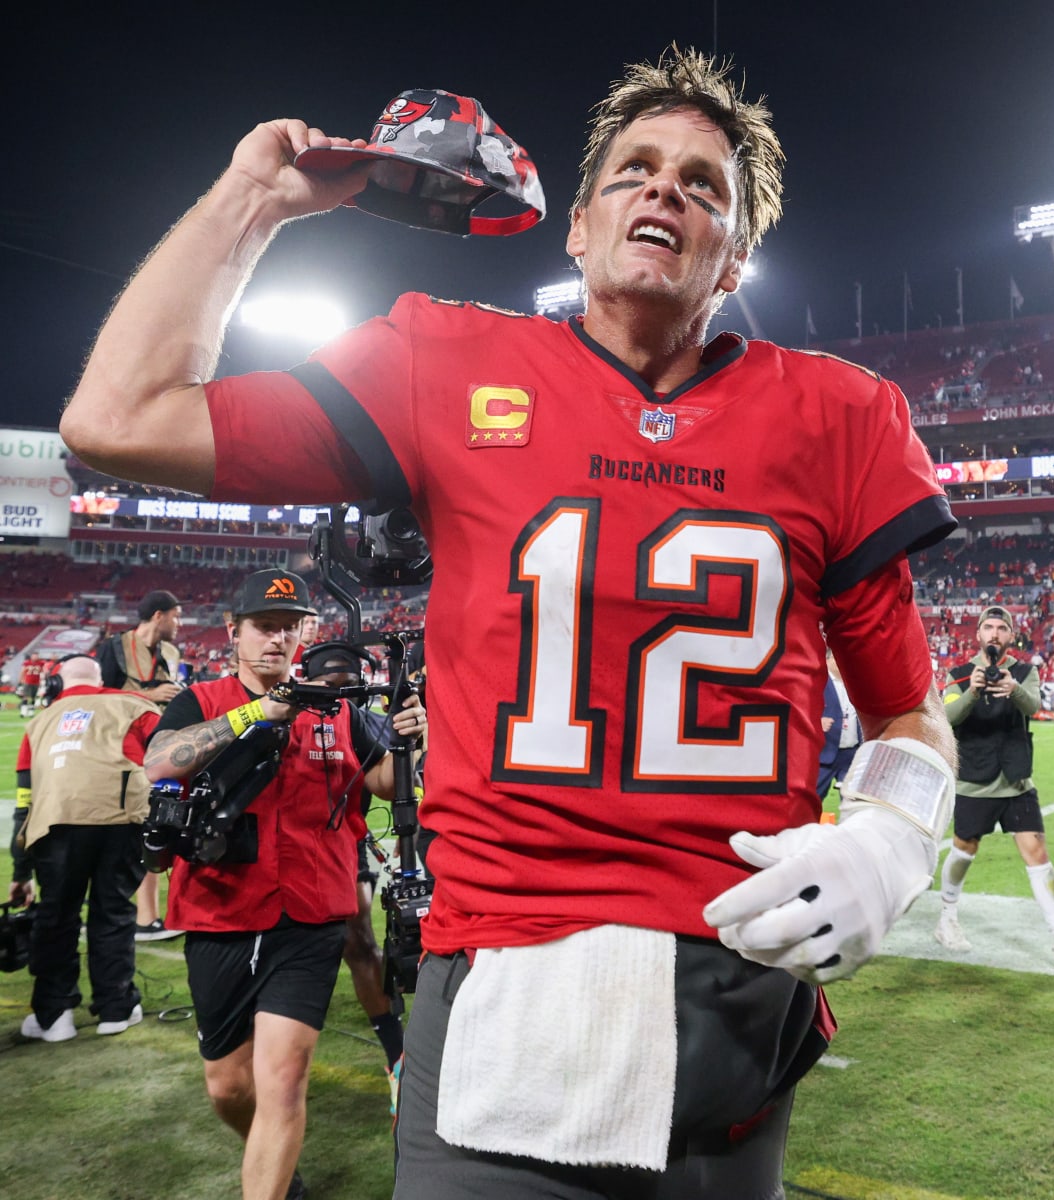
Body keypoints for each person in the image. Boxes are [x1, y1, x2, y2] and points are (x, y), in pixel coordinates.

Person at [62, 47, 959, 1200]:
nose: (666, 190)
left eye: (703, 184)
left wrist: (892, 837)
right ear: (576, 227)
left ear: (734, 259)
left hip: (733, 1005)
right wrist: (258, 202)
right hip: (504, 1002)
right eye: (636, 169)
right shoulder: (443, 360)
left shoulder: (838, 415)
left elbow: (906, 715)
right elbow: (117, 417)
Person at [143, 569, 425, 1200]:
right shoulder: (205, 700)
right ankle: (275, 1166)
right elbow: (159, 760)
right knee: (229, 1087)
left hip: (312, 918)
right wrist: (258, 713)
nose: (277, 641)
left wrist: (410, 742)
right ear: (233, 632)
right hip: (220, 911)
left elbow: (385, 783)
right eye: (264, 628)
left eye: (289, 628)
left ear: (307, 633)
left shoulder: (341, 711)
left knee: (285, 1077)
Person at [935, 605, 1054, 968]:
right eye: (989, 628)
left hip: (1016, 778)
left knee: (1037, 851)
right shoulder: (959, 674)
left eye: (1001, 628)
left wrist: (1012, 689)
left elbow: (1034, 706)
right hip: (975, 779)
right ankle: (947, 918)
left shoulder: (1026, 672)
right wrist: (972, 691)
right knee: (964, 850)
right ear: (978, 634)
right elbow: (948, 718)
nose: (994, 634)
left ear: (1011, 636)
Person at [8, 654, 161, 1042]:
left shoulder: (39, 723)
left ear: (57, 682)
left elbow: (24, 803)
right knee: (113, 912)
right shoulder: (138, 707)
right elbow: (168, 763)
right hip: (123, 820)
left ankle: (54, 1015)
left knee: (56, 916)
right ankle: (116, 1008)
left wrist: (20, 871)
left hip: (56, 823)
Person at [301, 639, 424, 1075]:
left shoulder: (354, 717)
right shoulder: (284, 711)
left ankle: (396, 1052)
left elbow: (386, 785)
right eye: (328, 684)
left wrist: (408, 738)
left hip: (341, 848)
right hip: (284, 851)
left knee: (359, 942)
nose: (338, 692)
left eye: (349, 684)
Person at [98, 588, 186, 941]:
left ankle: (149, 917)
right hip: (121, 749)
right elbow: (97, 697)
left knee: (158, 828)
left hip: (160, 746)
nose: (179, 623)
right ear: (158, 616)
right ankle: (143, 917)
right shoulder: (113, 647)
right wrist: (147, 696)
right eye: (175, 616)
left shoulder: (171, 652)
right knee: (138, 829)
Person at [816, 650, 861, 801]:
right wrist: (816, 722)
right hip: (825, 753)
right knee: (813, 799)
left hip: (851, 754)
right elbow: (799, 708)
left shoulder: (855, 683)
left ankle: (851, 825)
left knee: (852, 800)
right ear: (829, 659)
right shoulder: (817, 681)